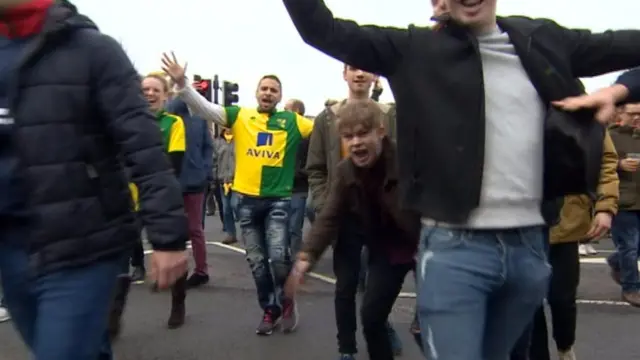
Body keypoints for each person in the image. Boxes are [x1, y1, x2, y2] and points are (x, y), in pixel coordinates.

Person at [281, 0, 640, 358]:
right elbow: (320, 29)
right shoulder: (412, 49)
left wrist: (620, 90)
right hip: (455, 251)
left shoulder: (541, 39)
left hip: (529, 250)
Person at [0, 1, 188, 359]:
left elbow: (145, 149)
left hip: (83, 244)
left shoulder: (93, 51)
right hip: (12, 249)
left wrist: (168, 237)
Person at [162, 52, 314, 335]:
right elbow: (206, 109)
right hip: (246, 201)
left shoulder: (294, 121)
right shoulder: (241, 116)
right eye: (264, 88)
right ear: (257, 93)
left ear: (280, 95)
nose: (268, 93)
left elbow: (330, 127)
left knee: (279, 257)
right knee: (257, 263)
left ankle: (287, 300)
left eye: (274, 90)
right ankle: (270, 310)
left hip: (278, 201)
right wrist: (182, 83)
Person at [286, 99, 419, 360]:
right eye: (348, 136)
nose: (355, 142)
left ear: (380, 132)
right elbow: (329, 217)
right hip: (387, 251)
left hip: (426, 247)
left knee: (429, 326)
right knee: (371, 318)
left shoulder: (407, 160)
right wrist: (305, 259)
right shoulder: (346, 171)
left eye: (362, 133)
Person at [306, 64, 399, 360]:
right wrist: (324, 205)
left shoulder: (391, 115)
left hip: (382, 218)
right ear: (344, 75)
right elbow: (316, 168)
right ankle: (346, 347)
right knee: (345, 286)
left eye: (366, 68)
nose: (360, 74)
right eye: (353, 68)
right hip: (344, 218)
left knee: (378, 284)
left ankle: (380, 326)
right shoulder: (326, 118)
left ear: (375, 76)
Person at [167, 97, 215, 289]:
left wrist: (205, 171)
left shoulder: (198, 119)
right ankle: (181, 271)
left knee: (193, 229)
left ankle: (200, 271)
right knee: (182, 230)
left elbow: (207, 148)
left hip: (192, 181)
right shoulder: (169, 118)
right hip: (175, 181)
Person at [283, 98, 309, 256]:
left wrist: (298, 173)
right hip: (282, 188)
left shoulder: (306, 135)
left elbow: (312, 163)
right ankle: (282, 258)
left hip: (299, 188)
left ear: (296, 112)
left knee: (294, 227)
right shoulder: (283, 134)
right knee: (282, 227)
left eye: (286, 109)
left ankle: (295, 259)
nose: (283, 112)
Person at [213, 126, 238, 245]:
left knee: (236, 205)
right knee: (226, 208)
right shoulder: (217, 142)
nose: (228, 128)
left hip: (237, 180)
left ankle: (247, 231)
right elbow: (214, 160)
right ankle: (230, 234)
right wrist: (214, 176)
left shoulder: (240, 140)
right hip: (223, 180)